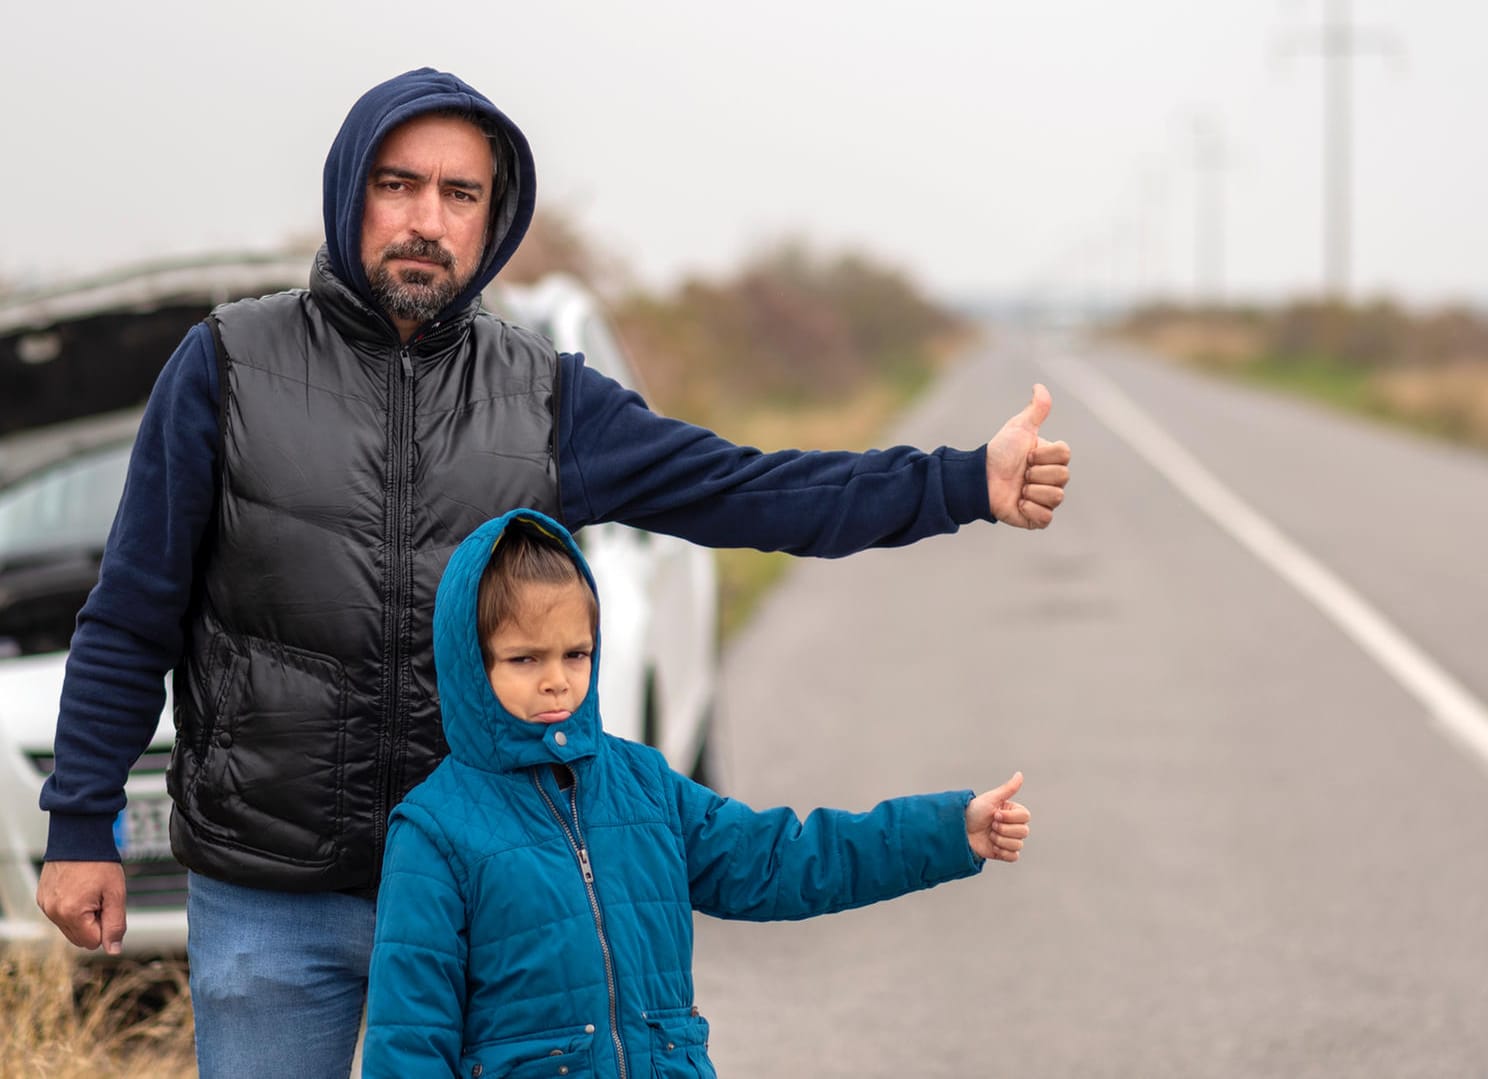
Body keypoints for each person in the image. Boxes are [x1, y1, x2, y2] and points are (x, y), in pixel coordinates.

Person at [34, 67, 1068, 1077]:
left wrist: (965, 480)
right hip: (272, 895)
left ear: (494, 216)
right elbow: (132, 614)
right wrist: (82, 820)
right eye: (398, 184)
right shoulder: (226, 365)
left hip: (496, 892)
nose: (426, 218)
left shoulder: (543, 395)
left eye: (459, 193)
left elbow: (749, 489)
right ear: (349, 191)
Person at [362, 509, 1030, 1078]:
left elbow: (782, 859)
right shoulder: (435, 831)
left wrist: (948, 830)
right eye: (524, 658)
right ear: (469, 661)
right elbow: (408, 1042)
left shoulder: (644, 785)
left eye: (576, 654)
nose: (557, 681)